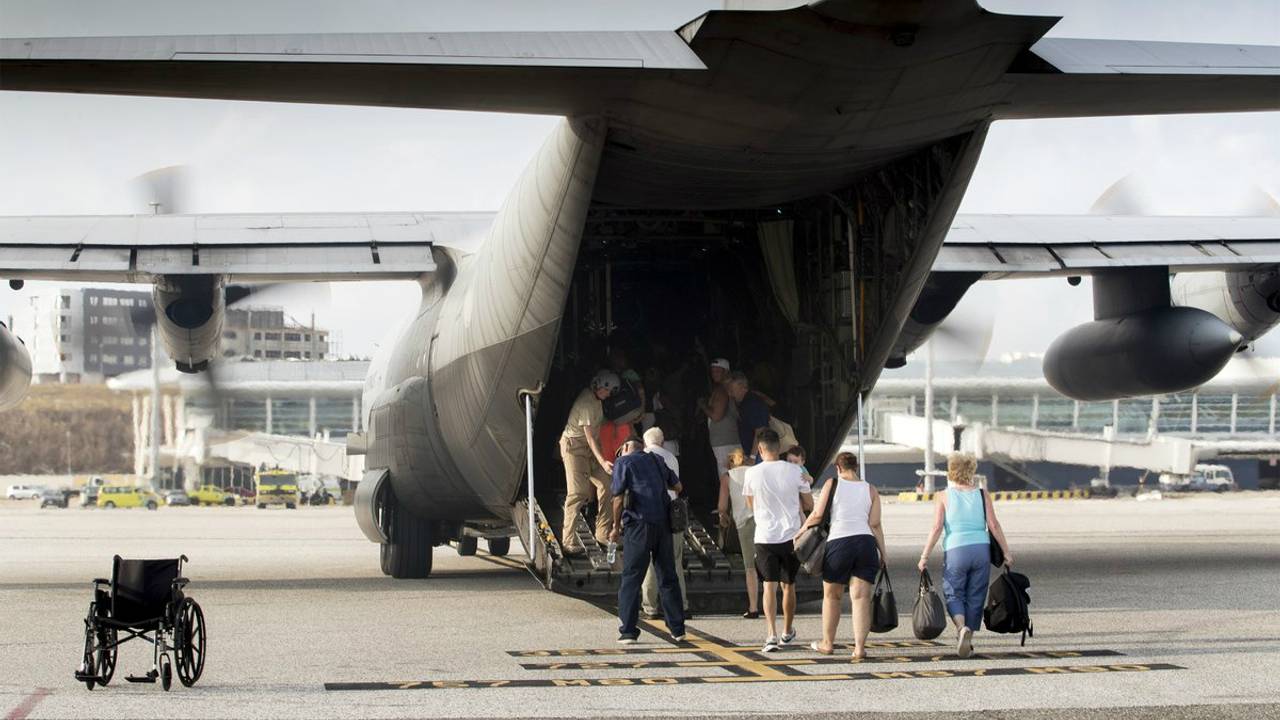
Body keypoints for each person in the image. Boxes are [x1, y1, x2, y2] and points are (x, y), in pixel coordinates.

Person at [917, 452, 1013, 658]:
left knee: (954, 593)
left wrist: (924, 555)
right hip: (981, 549)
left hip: (956, 549)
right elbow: (994, 525)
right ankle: (968, 641)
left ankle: (961, 629)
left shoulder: (943, 496)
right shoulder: (981, 494)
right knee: (976, 594)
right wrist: (1006, 551)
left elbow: (936, 528)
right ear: (971, 470)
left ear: (951, 471)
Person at [796, 452, 886, 660]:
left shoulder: (832, 483)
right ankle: (860, 648)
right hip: (865, 543)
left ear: (838, 467)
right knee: (861, 597)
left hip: (840, 543)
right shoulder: (870, 489)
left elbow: (817, 514)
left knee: (832, 596)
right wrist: (883, 552)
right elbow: (875, 524)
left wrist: (800, 532)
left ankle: (827, 643)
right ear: (856, 468)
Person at [743, 427, 813, 652]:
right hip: (791, 536)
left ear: (761, 449)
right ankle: (787, 631)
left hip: (764, 536)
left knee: (769, 587)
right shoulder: (794, 471)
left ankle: (771, 634)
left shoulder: (752, 473)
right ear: (779, 448)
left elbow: (750, 504)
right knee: (789, 585)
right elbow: (810, 503)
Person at [610, 439, 686, 644]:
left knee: (632, 577)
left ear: (626, 448)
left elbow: (617, 498)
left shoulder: (623, 463)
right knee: (668, 576)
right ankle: (677, 629)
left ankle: (628, 631)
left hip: (638, 526)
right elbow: (678, 485)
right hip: (663, 525)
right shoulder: (658, 459)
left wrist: (615, 528)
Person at [559, 370, 621, 555]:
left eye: (610, 392)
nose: (607, 394)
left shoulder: (597, 401)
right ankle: (568, 541)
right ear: (597, 386)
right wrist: (603, 462)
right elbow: (589, 438)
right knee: (578, 493)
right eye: (606, 390)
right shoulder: (586, 402)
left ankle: (602, 533)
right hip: (575, 448)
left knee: (608, 485)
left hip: (590, 449)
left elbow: (596, 435)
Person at [641, 427, 688, 619]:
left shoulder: (639, 458)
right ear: (661, 441)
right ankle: (682, 604)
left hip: (649, 513)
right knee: (675, 561)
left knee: (650, 561)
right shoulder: (671, 458)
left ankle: (650, 606)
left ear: (645, 442)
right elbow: (676, 489)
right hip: (671, 514)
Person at [717, 448, 759, 618]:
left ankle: (754, 607)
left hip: (745, 523)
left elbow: (722, 505)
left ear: (730, 462)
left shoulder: (728, 477)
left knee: (750, 567)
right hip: (764, 520)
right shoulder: (755, 472)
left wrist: (723, 516)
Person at [699, 358, 740, 478]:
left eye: (718, 371)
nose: (714, 373)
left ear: (726, 372)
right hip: (733, 440)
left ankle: (729, 497)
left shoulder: (721, 390)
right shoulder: (730, 388)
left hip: (724, 443)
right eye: (713, 371)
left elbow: (716, 416)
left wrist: (702, 405)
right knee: (736, 475)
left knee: (727, 478)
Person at [728, 372, 771, 463]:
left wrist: (752, 456)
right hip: (756, 452)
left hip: (760, 454)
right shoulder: (744, 403)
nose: (730, 394)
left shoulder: (752, 403)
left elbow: (760, 430)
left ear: (742, 387)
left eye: (732, 390)